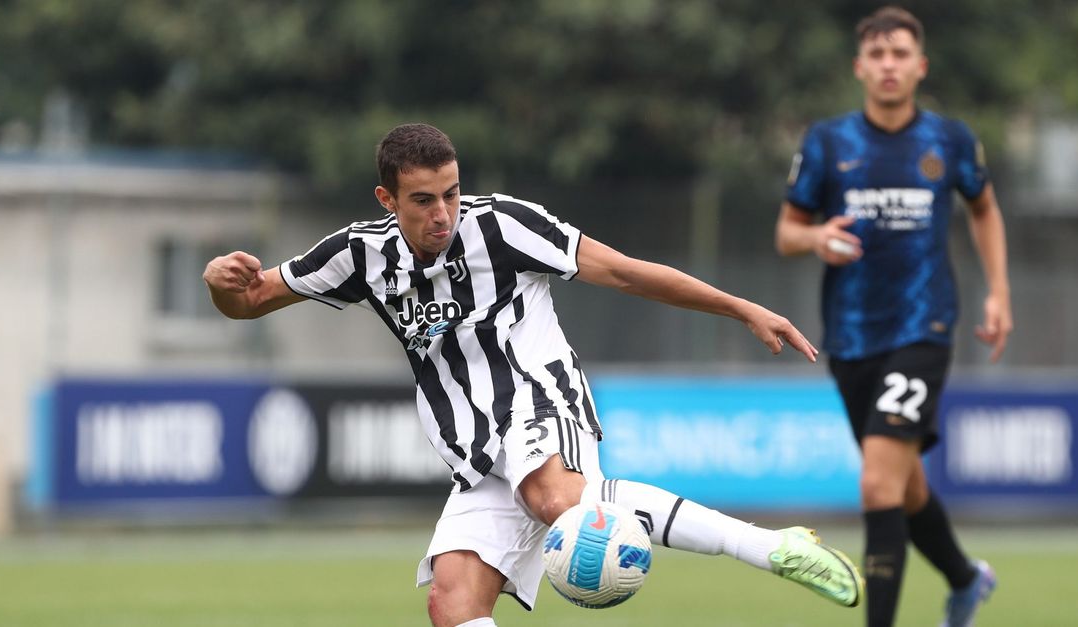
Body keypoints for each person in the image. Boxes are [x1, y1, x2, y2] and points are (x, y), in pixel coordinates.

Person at [204, 122, 862, 626]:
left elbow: (626, 271)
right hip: (476, 450)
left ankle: (772, 546)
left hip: (539, 393)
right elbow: (251, 299)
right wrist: (220, 284)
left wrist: (739, 306)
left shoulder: (506, 226)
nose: (443, 213)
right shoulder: (359, 255)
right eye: (424, 200)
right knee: (452, 603)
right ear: (387, 198)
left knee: (555, 499)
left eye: (452, 193)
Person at [774, 6, 1011, 627]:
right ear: (860, 67)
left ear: (920, 66)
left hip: (924, 327)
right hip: (851, 338)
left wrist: (999, 292)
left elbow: (984, 208)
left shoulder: (950, 140)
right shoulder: (829, 142)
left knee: (878, 486)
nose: (888, 65)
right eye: (877, 55)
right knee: (902, 488)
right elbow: (786, 232)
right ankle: (965, 578)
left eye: (900, 54)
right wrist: (818, 236)